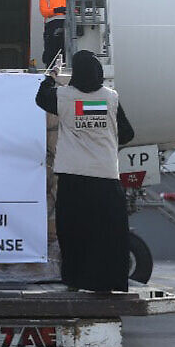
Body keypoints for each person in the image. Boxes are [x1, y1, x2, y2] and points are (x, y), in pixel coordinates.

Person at [35, 49, 135, 292]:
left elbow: (40, 97)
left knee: (74, 232)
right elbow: (128, 133)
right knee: (107, 234)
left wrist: (51, 75)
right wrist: (104, 137)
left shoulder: (64, 96)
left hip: (73, 177)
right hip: (105, 176)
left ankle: (74, 281)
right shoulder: (111, 97)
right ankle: (108, 283)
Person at [38, 0, 67, 67]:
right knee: (51, 55)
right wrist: (58, 10)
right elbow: (44, 12)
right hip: (51, 29)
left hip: (66, 28)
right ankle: (50, 77)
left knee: (65, 53)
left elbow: (75, 10)